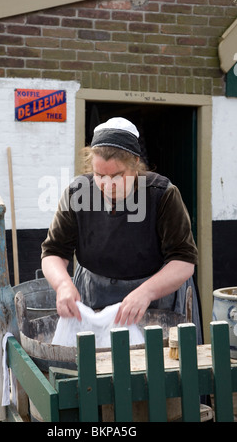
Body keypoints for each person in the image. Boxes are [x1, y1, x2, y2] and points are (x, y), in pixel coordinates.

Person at [41, 117, 202, 341]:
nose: (108, 184)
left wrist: (146, 292)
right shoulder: (77, 194)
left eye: (117, 175)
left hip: (157, 299)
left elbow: (184, 261)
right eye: (99, 176)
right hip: (93, 294)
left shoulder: (162, 194)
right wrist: (63, 285)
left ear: (135, 163)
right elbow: (53, 252)